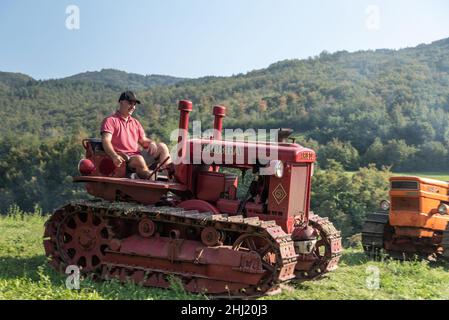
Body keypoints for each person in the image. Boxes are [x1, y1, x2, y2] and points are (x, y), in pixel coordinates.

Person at [100, 91, 173, 179]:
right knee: (139, 159)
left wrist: (151, 142)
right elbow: (106, 141)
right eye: (130, 103)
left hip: (137, 155)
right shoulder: (110, 120)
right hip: (124, 159)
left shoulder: (135, 122)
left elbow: (143, 140)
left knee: (162, 147)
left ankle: (170, 176)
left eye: (134, 104)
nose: (133, 107)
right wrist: (114, 156)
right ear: (121, 102)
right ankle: (152, 181)